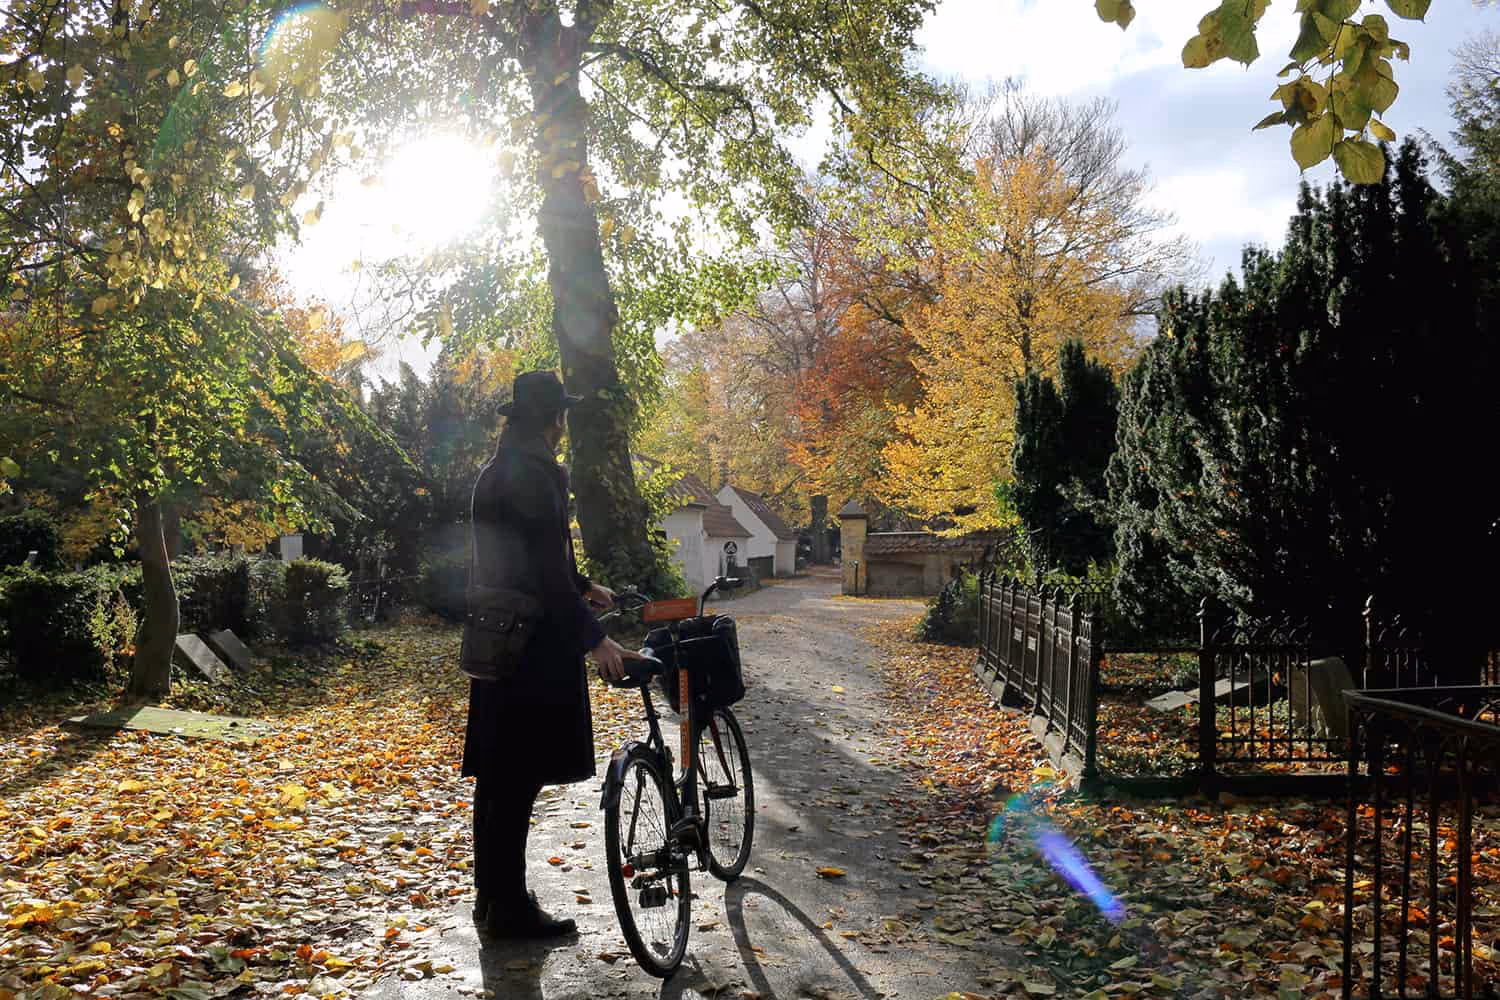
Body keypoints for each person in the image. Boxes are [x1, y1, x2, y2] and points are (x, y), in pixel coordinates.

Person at [460, 369, 637, 937]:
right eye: (560, 414)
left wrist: (583, 583)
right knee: (515, 780)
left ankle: (492, 900)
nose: (564, 425)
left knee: (498, 779)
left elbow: (529, 557)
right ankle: (508, 909)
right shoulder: (535, 474)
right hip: (530, 647)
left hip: (496, 636)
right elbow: (542, 572)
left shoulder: (497, 469)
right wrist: (596, 637)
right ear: (549, 419)